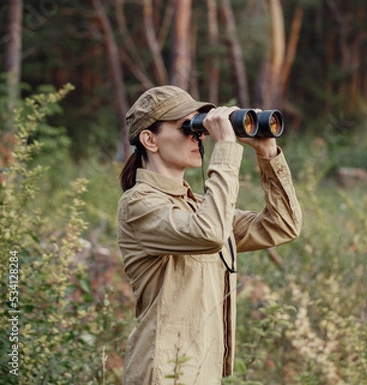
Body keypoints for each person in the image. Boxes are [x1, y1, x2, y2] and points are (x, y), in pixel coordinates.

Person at [117, 85, 302, 384]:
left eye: (199, 126)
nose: (198, 135)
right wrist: (227, 149)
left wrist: (268, 154)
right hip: (165, 374)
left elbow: (282, 225)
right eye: (186, 127)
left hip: (203, 372)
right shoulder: (139, 204)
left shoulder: (200, 206)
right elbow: (211, 233)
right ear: (149, 140)